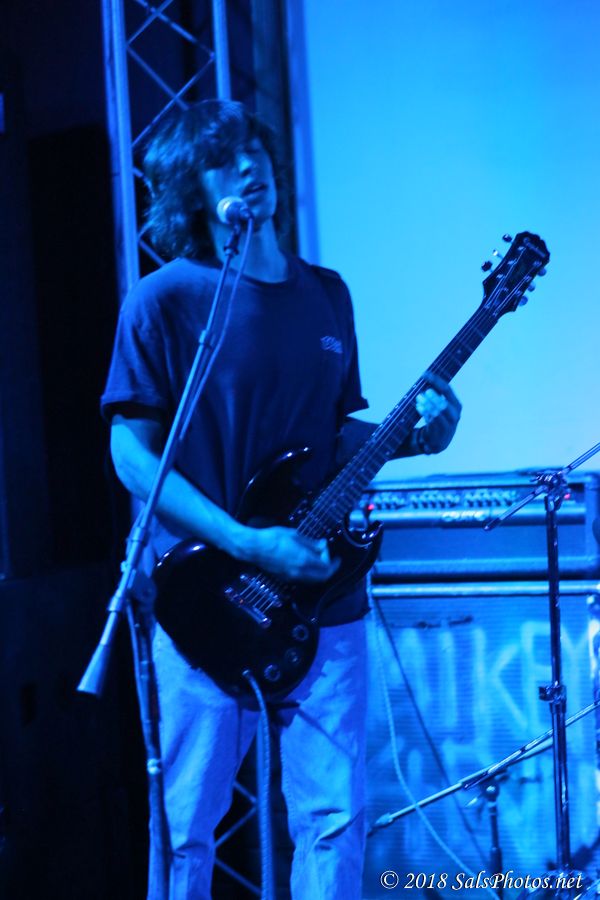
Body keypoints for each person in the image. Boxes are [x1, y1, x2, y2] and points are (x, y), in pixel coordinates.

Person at [101, 99, 461, 900]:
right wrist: (246, 542)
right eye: (221, 158)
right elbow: (130, 454)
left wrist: (415, 437)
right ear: (193, 190)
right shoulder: (165, 301)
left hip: (323, 600)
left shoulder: (327, 295)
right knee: (185, 829)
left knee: (334, 821)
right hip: (203, 597)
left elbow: (331, 436)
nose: (248, 165)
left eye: (254, 149)